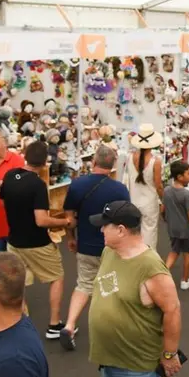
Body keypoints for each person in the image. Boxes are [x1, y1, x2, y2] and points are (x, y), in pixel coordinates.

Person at [88, 201, 183, 377]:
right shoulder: (109, 252)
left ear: (121, 230)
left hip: (135, 369)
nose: (101, 230)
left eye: (105, 226)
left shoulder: (151, 267)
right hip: (108, 361)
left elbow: (172, 309)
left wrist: (170, 355)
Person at [1, 141, 74, 340]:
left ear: (25, 155)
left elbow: (4, 200)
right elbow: (41, 220)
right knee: (56, 277)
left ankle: (19, 322)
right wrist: (64, 221)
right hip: (36, 243)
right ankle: (54, 324)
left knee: (19, 281)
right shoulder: (37, 185)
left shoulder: (9, 176)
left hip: (14, 240)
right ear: (44, 163)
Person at [59, 146, 130, 351]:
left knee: (84, 285)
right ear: (113, 164)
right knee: (112, 287)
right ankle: (110, 330)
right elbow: (126, 218)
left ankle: (70, 325)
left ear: (93, 162)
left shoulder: (77, 185)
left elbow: (69, 218)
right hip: (112, 247)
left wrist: (70, 238)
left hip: (86, 245)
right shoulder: (119, 189)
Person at [162, 161, 189, 291]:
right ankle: (185, 280)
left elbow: (162, 209)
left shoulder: (167, 190)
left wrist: (166, 219)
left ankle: (162, 275)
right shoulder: (187, 195)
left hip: (173, 228)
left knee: (174, 251)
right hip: (186, 230)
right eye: (188, 173)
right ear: (180, 176)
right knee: (187, 254)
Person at [124, 123, 164, 249]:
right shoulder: (155, 161)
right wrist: (163, 201)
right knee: (149, 234)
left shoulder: (130, 157)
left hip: (133, 201)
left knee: (132, 234)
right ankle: (148, 263)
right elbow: (159, 186)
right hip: (150, 203)